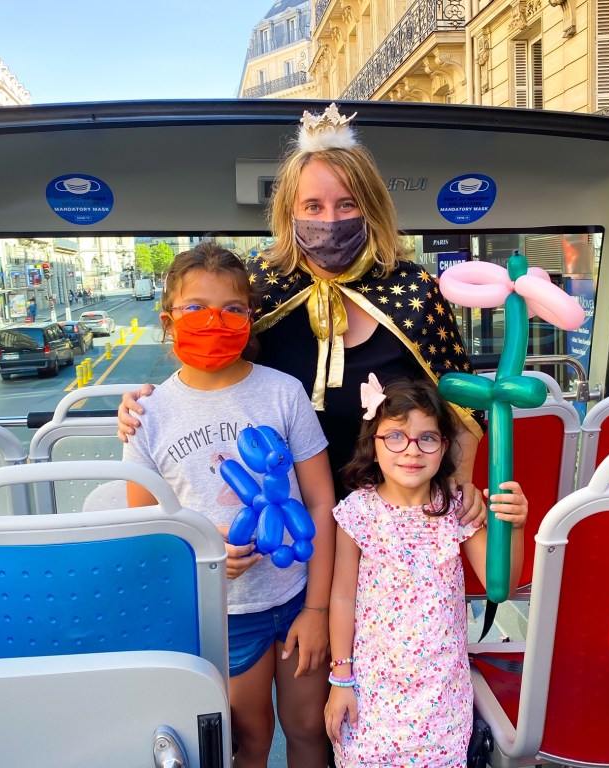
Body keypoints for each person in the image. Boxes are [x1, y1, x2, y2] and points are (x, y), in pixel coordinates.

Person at [119, 103, 486, 519]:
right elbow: (210, 357)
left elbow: (460, 400)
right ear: (289, 213)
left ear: (372, 209)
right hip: (279, 514)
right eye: (313, 206)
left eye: (347, 204)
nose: (330, 220)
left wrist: (458, 481)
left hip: (391, 513)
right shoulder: (260, 282)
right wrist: (147, 407)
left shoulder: (413, 289)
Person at [123, 242, 335, 768]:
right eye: (196, 308)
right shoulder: (148, 414)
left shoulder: (284, 393)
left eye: (232, 309)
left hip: (296, 596)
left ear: (250, 318)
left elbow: (320, 501)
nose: (214, 321)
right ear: (169, 319)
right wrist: (202, 545)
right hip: (223, 613)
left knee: (309, 728)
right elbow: (144, 529)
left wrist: (317, 609)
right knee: (249, 739)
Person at [323, 377, 527, 766]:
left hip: (441, 699)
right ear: (373, 444)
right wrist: (340, 679)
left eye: (427, 438)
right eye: (395, 436)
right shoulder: (356, 513)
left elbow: (499, 586)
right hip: (372, 694)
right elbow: (342, 597)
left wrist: (514, 528)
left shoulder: (457, 509)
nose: (412, 450)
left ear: (445, 446)